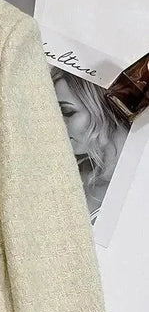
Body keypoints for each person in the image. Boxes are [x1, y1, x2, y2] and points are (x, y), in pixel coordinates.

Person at [50, 66, 129, 222]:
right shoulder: (65, 173)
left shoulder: (137, 182)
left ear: (103, 110)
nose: (56, 124)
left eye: (67, 111)